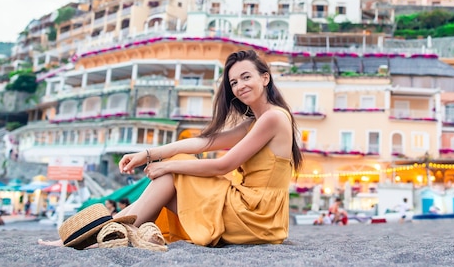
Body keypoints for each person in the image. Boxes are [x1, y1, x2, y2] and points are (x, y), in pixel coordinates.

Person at [40, 49, 303, 247]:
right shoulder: (255, 121)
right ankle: (103, 232)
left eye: (246, 77)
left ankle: (101, 232)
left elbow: (224, 165)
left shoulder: (273, 117)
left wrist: (167, 164)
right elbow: (205, 142)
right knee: (171, 171)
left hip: (256, 216)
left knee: (172, 170)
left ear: (265, 78)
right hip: (254, 212)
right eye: (234, 82)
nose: (240, 86)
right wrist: (148, 154)